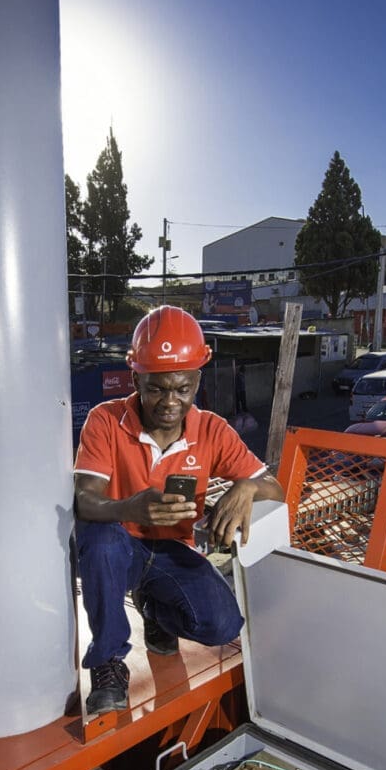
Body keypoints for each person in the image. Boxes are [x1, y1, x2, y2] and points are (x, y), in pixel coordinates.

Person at [74, 306, 283, 714]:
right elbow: (85, 498)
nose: (170, 402)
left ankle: (156, 610)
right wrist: (132, 508)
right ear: (136, 378)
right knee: (100, 540)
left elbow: (275, 489)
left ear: (197, 381)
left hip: (172, 551)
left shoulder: (213, 430)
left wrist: (246, 487)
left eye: (182, 389)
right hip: (121, 546)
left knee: (222, 625)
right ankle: (108, 664)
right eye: (156, 388)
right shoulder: (105, 421)